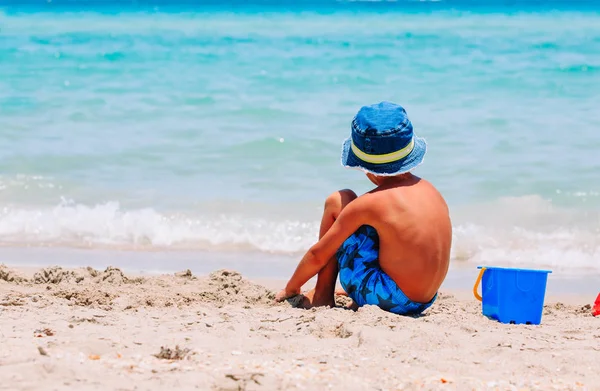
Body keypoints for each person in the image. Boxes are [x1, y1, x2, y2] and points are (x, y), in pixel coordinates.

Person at [275, 101, 452, 315]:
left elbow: (317, 255)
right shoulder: (430, 190)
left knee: (338, 200)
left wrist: (291, 288)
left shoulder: (370, 204)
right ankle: (371, 289)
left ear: (368, 168)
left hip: (394, 299)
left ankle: (322, 294)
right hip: (425, 299)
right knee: (381, 228)